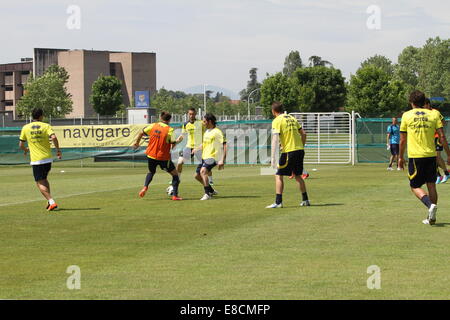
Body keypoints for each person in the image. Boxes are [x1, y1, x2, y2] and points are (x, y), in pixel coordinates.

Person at [398, 90, 450, 225]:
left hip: (416, 157)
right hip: (431, 156)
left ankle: (429, 205)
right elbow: (442, 137)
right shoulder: (434, 115)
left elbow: (402, 140)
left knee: (414, 186)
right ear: (424, 101)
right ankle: (431, 218)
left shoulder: (406, 116)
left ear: (411, 102)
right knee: (431, 185)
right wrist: (449, 155)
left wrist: (400, 157)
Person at [266, 102, 309, 208]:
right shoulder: (292, 118)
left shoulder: (277, 121)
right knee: (298, 176)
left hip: (289, 151)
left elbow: (275, 139)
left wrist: (273, 157)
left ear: (273, 111)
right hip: (299, 150)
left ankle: (278, 202)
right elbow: (303, 133)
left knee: (278, 175)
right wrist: (301, 146)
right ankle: (305, 200)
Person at [133, 111, 183, 201]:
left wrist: (137, 143)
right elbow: (172, 145)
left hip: (151, 155)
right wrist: (178, 140)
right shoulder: (170, 130)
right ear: (169, 120)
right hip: (163, 157)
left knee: (151, 172)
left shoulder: (153, 126)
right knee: (175, 176)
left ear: (161, 118)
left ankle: (145, 187)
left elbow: (141, 133)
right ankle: (175, 196)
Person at [19, 108, 62, 211]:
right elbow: (54, 138)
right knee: (44, 179)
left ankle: (51, 202)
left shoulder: (25, 127)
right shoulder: (46, 126)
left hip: (37, 160)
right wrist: (58, 150)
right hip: (47, 159)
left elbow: (21, 144)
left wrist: (25, 150)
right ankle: (49, 201)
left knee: (39, 182)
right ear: (41, 116)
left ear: (32, 116)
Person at [193, 113, 227, 200]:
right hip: (204, 157)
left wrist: (222, 160)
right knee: (197, 176)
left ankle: (207, 194)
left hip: (213, 157)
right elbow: (204, 144)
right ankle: (211, 190)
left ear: (210, 121)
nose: (203, 123)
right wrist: (196, 149)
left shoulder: (217, 132)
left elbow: (225, 145)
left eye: (204, 121)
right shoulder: (207, 132)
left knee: (203, 171)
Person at [176, 108, 213, 184]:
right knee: (179, 163)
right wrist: (176, 140)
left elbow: (209, 128)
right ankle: (177, 179)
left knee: (205, 165)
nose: (191, 115)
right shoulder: (185, 124)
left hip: (199, 147)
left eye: (193, 114)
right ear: (187, 114)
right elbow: (182, 135)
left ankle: (210, 180)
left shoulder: (201, 123)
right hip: (189, 147)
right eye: (190, 114)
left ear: (195, 114)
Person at [424, 98, 450, 184]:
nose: (423, 107)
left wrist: (437, 130)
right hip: (428, 137)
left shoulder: (436, 112)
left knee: (436, 156)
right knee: (431, 158)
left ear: (428, 104)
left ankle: (445, 173)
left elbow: (443, 122)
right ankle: (439, 175)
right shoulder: (423, 114)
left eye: (424, 105)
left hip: (437, 136)